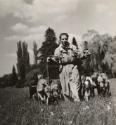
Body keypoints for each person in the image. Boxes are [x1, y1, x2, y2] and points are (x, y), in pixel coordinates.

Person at [50, 33, 81, 101]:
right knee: (65, 87)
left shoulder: (73, 47)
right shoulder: (57, 50)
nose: (64, 40)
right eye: (62, 39)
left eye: (65, 39)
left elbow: (79, 55)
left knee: (75, 82)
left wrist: (81, 54)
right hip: (63, 68)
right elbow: (55, 59)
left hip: (73, 66)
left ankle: (76, 99)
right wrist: (52, 59)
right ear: (60, 40)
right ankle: (69, 102)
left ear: (67, 39)